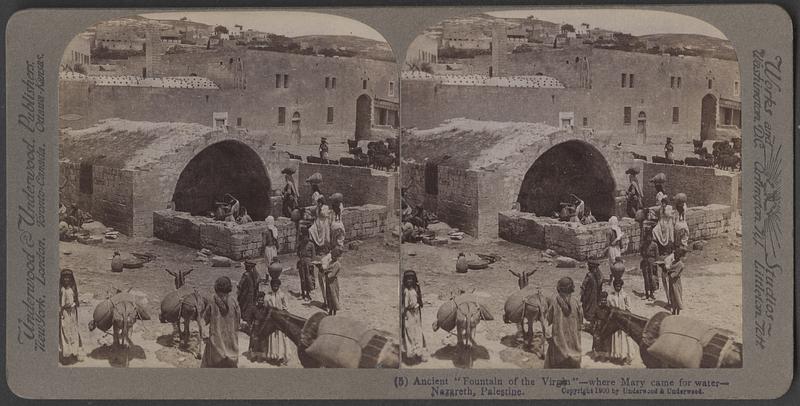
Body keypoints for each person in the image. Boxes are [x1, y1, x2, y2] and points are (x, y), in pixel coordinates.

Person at [201, 276, 241, 368]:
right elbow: (238, 317)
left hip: (216, 340)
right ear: (229, 287)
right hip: (231, 338)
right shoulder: (234, 300)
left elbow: (206, 318)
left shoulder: (212, 300)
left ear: (216, 287)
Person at [544, 277, 583, 369]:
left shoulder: (554, 302)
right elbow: (581, 318)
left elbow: (548, 319)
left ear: (559, 289)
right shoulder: (576, 302)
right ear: (571, 289)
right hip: (574, 338)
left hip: (559, 340)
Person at [401, 270, 428, 363]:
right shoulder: (404, 290)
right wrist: (404, 316)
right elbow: (403, 305)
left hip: (416, 313)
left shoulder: (416, 289)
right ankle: (411, 354)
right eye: (407, 279)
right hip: (408, 313)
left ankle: (419, 352)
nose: (409, 281)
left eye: (411, 279)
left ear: (414, 280)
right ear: (405, 280)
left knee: (418, 331)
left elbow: (419, 301)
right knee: (409, 332)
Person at [59, 269, 83, 364]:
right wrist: (61, 312)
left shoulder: (73, 289)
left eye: (68, 278)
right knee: (65, 331)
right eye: (64, 278)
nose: (66, 279)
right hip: (64, 313)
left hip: (72, 313)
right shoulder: (61, 289)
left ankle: (75, 352)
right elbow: (60, 304)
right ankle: (66, 355)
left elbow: (77, 301)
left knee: (74, 331)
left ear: (71, 279)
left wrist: (73, 305)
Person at [265, 279, 290, 365]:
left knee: (281, 337)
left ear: (279, 286)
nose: (275, 287)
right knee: (272, 337)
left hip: (280, 320)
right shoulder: (268, 296)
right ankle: (273, 355)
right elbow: (266, 308)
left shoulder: (282, 295)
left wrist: (283, 317)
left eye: (276, 286)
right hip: (272, 320)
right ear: (271, 286)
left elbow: (286, 308)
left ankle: (282, 356)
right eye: (273, 286)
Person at [607, 279, 632, 364]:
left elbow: (629, 308)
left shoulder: (625, 296)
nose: (618, 287)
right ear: (614, 286)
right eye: (616, 286)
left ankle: (625, 356)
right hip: (615, 320)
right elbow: (608, 308)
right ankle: (616, 355)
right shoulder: (611, 296)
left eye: (619, 286)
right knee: (616, 336)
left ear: (621, 286)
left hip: (623, 320)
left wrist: (625, 315)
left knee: (624, 338)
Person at [237, 261, 261, 330]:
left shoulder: (246, 275)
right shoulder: (256, 275)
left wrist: (239, 291)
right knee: (251, 308)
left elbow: (240, 285)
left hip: (246, 296)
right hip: (253, 295)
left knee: (244, 309)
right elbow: (257, 284)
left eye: (246, 265)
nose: (245, 267)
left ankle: (245, 325)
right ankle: (250, 324)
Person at [663, 248, 687, 315]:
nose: (676, 257)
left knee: (677, 296)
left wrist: (669, 273)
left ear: (680, 256)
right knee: (672, 296)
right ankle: (673, 310)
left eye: (678, 256)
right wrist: (665, 268)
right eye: (675, 255)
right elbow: (670, 268)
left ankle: (678, 312)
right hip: (671, 282)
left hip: (676, 283)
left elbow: (675, 274)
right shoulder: (673, 262)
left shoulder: (681, 264)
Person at [580, 260, 604, 325]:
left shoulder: (596, 275)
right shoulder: (589, 275)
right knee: (589, 307)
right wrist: (583, 295)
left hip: (594, 295)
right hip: (589, 295)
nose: (596, 269)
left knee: (592, 306)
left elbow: (600, 283)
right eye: (595, 268)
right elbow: (584, 285)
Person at [640, 221, 659, 301]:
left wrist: (655, 263)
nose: (648, 239)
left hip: (652, 261)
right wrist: (643, 258)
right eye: (647, 237)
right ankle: (646, 293)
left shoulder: (654, 245)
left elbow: (657, 255)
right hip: (645, 261)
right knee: (646, 277)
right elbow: (641, 251)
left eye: (650, 237)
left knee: (652, 278)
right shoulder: (644, 244)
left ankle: (652, 293)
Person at [296, 225, 316, 301]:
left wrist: (312, 263)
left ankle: (308, 294)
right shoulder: (301, 244)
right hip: (302, 261)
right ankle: (303, 293)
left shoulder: (311, 244)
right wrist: (300, 259)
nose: (305, 238)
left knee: (308, 278)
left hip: (308, 262)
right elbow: (298, 252)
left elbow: (313, 255)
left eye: (306, 236)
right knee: (302, 278)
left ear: (308, 236)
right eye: (303, 236)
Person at [248, 291, 269, 362]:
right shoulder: (253, 308)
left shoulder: (265, 309)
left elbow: (267, 318)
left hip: (263, 327)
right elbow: (250, 318)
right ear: (257, 300)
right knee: (254, 341)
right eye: (259, 300)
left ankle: (262, 356)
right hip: (256, 327)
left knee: (263, 341)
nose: (260, 301)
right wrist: (251, 325)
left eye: (262, 300)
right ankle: (253, 355)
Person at [322, 247, 343, 315]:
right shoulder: (331, 262)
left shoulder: (337, 264)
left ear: (337, 257)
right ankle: (330, 309)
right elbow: (327, 269)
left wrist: (326, 273)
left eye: (335, 256)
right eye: (332, 255)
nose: (333, 257)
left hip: (333, 282)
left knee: (334, 296)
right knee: (329, 295)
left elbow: (332, 274)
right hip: (328, 281)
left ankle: (334, 311)